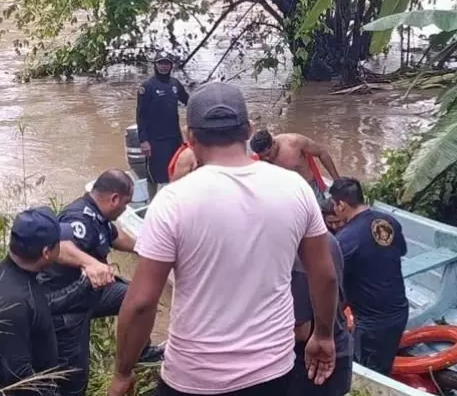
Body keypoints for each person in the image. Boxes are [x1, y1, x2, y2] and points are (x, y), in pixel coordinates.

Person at [108, 82, 339, 396]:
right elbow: (324, 276)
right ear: (249, 131)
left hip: (194, 378)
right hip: (272, 371)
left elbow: (141, 304)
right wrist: (323, 335)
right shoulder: (295, 188)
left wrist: (123, 372)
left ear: (190, 137)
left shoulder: (173, 201)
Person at [39, 169, 163, 396]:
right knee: (75, 376)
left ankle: (139, 351)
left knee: (136, 297)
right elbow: (62, 247)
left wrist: (146, 248)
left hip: (91, 292)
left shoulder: (100, 216)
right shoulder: (79, 216)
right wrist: (89, 263)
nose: (126, 209)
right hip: (66, 302)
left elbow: (116, 237)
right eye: (125, 203)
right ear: (114, 199)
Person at [0, 207, 74, 396]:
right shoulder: (13, 303)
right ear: (46, 252)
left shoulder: (0, 272)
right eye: (59, 243)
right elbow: (20, 378)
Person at [329, 177, 408, 375]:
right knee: (383, 365)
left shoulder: (345, 239)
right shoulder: (390, 222)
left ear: (342, 205)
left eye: (334, 205)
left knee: (369, 374)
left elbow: (330, 279)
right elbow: (400, 251)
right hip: (399, 310)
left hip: (372, 323)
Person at [289, 199, 353, 396]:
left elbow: (300, 331)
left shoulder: (299, 259)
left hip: (313, 365)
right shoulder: (328, 239)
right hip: (340, 346)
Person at [136, 52, 190, 196]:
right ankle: (152, 204)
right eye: (161, 63)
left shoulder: (175, 84)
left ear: (171, 65)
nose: (164, 66)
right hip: (155, 139)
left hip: (175, 137)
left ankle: (177, 200)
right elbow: (141, 115)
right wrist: (143, 140)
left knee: (178, 169)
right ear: (155, 65)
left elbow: (189, 102)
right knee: (154, 175)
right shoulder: (147, 86)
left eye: (167, 63)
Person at [250, 130, 340, 197]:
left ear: (273, 143)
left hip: (309, 188)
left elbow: (322, 153)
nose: (267, 158)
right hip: (286, 193)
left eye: (268, 154)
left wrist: (338, 181)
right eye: (263, 156)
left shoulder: (294, 142)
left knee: (331, 206)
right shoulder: (258, 158)